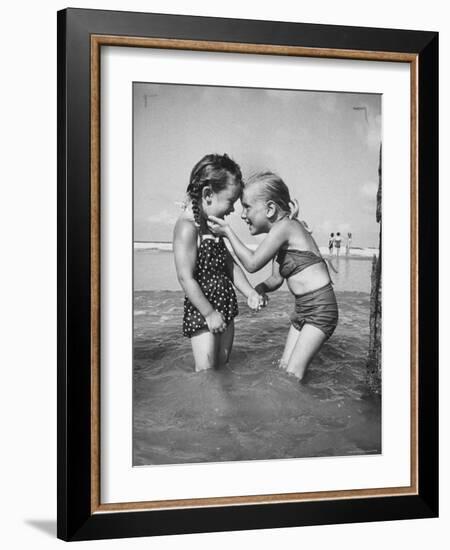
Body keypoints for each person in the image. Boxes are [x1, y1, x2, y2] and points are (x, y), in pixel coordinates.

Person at [208, 171, 338, 381]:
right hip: (303, 309)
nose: (242, 214)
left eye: (247, 207)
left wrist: (227, 232)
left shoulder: (285, 227)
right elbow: (276, 278)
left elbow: (251, 264)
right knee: (284, 369)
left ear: (270, 209)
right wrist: (261, 289)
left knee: (293, 373)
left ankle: (299, 412)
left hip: (321, 309)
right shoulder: (279, 235)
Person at [173, 153, 265, 372]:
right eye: (230, 202)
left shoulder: (213, 227)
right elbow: (185, 278)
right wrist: (209, 313)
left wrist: (250, 292)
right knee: (206, 372)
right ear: (208, 195)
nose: (233, 209)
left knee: (222, 368)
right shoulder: (188, 228)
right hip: (202, 310)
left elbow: (230, 265)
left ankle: (223, 406)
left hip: (225, 305)